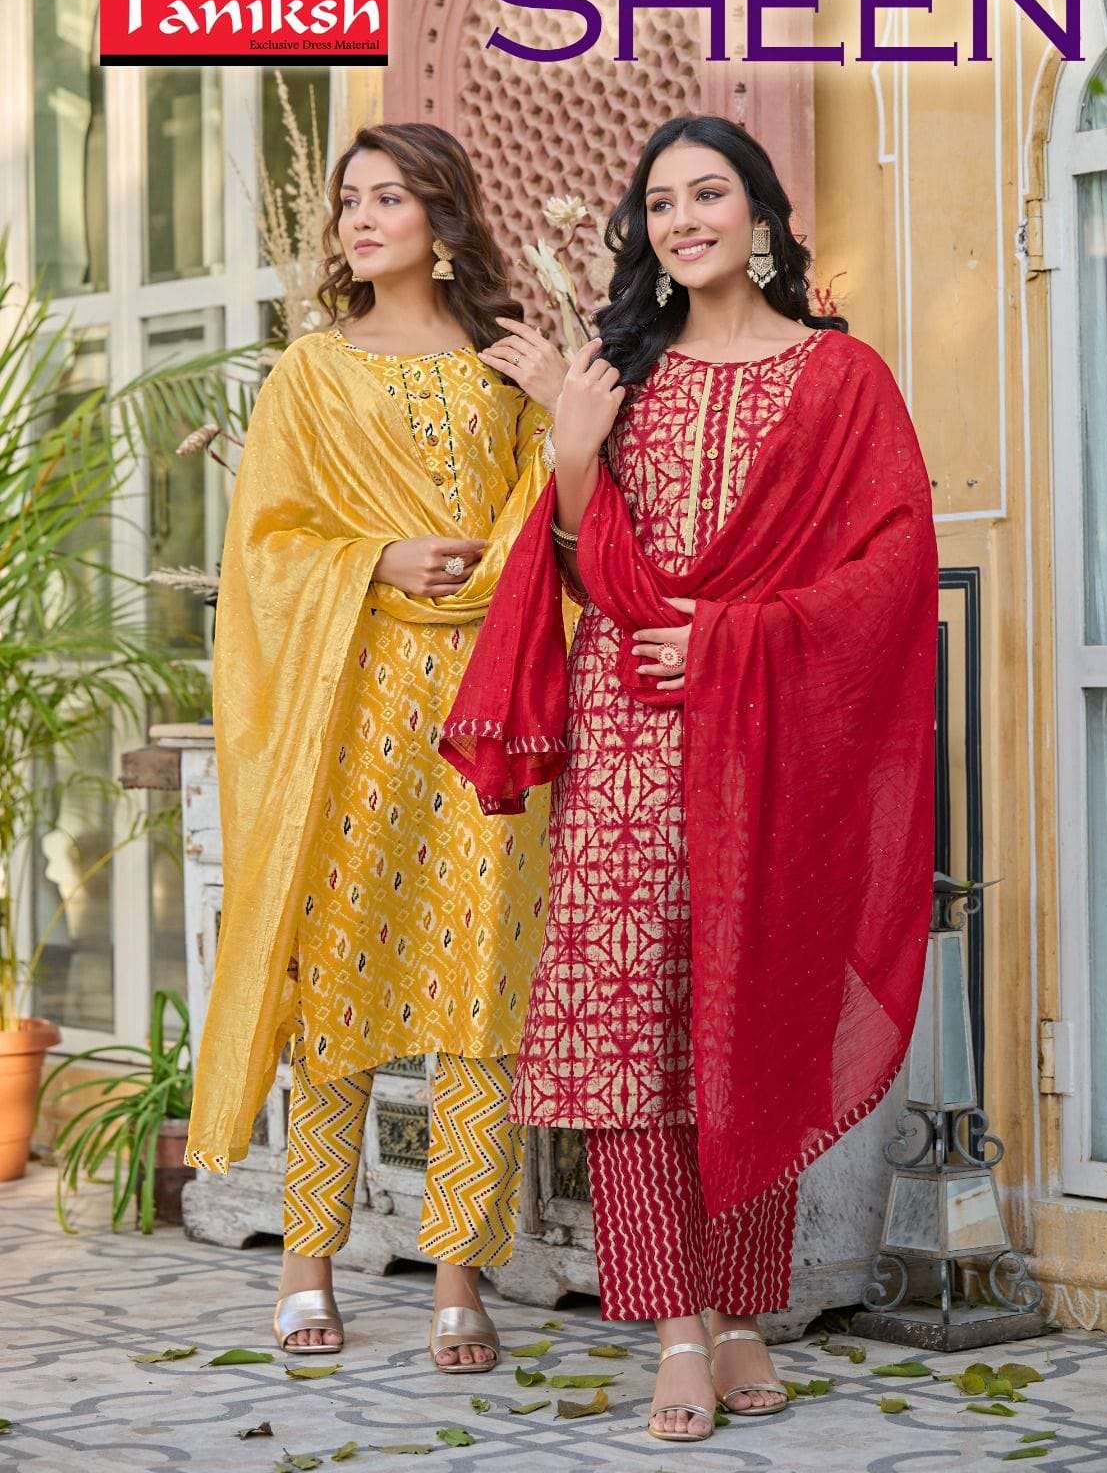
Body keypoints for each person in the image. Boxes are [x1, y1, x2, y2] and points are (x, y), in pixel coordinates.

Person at [442, 114, 939, 1442]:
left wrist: (731, 636)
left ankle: (736, 1314)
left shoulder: (841, 378)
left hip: (761, 734)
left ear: (760, 214)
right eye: (659, 203)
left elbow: (889, 568)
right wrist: (568, 447)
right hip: (624, 734)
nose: (682, 220)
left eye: (707, 193)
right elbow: (577, 565)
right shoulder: (619, 375)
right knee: (627, 1033)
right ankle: (672, 1327)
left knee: (742, 1014)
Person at [185, 122, 567, 1372]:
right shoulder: (310, 373)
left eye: (388, 197)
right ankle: (307, 1263)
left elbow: (553, 518)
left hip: (486, 711)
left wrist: (560, 406)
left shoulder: (506, 365)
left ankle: (459, 1277)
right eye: (349, 198)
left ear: (441, 217)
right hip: (348, 712)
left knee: (479, 987)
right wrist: (377, 560)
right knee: (337, 981)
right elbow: (265, 548)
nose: (358, 217)